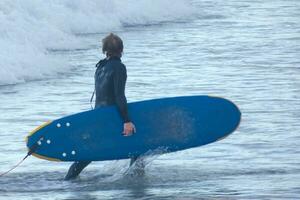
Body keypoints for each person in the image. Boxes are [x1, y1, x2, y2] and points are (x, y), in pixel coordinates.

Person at [65, 33, 137, 180]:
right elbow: (119, 96)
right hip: (112, 114)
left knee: (91, 151)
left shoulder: (100, 67)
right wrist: (127, 121)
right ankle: (136, 182)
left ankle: (69, 179)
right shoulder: (119, 67)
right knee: (137, 144)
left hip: (99, 114)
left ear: (105, 50)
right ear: (122, 49)